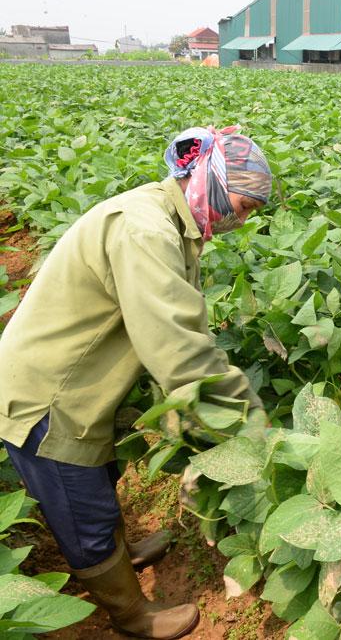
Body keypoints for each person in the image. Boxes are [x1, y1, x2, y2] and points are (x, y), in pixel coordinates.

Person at [0, 126, 273, 638]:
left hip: (84, 379)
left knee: (100, 479)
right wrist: (250, 421)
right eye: (243, 203)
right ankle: (130, 615)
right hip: (50, 394)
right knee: (82, 508)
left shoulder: (169, 218)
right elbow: (175, 344)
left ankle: (124, 555)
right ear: (210, 180)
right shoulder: (145, 228)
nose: (243, 218)